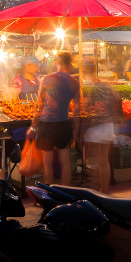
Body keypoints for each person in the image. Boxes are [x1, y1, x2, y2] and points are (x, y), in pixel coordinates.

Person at [27, 52, 80, 186]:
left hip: (46, 125)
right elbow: (77, 111)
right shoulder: (74, 83)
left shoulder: (46, 79)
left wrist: (33, 126)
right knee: (65, 161)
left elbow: (39, 105)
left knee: (47, 163)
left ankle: (48, 193)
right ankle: (65, 192)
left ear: (56, 63)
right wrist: (76, 130)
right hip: (63, 124)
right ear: (69, 65)